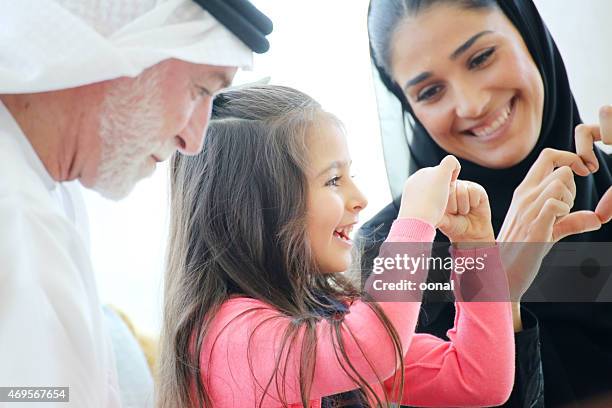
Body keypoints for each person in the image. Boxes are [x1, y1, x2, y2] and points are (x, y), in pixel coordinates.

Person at [159, 85, 516, 407]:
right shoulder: (232, 338)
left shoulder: (332, 315)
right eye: (333, 180)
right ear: (253, 210)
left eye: (351, 176)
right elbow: (373, 348)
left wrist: (474, 248)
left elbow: (478, 380)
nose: (360, 199)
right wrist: (414, 222)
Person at [0, 1, 271, 406]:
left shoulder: (51, 189)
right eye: (200, 90)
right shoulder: (12, 210)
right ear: (113, 52)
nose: (193, 142)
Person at [364, 0, 612, 406]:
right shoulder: (390, 254)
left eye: (481, 57)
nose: (472, 104)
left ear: (530, 36)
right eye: (430, 91)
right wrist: (497, 294)